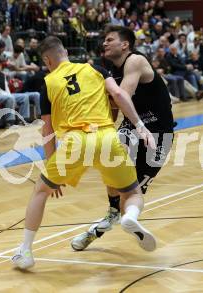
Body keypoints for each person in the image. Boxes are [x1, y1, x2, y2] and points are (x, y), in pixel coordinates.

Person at [11, 36, 158, 270]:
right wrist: (140, 126)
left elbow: (47, 129)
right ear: (66, 53)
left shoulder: (47, 83)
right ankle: (129, 216)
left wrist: (52, 164)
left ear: (47, 60)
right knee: (132, 193)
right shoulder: (95, 69)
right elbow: (120, 96)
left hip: (75, 141)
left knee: (40, 191)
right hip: (107, 137)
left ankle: (25, 251)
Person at [71, 25, 175, 251]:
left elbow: (122, 95)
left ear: (125, 44)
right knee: (113, 156)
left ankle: (124, 217)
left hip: (159, 132)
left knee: (132, 191)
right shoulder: (109, 68)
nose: (104, 43)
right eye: (104, 40)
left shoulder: (135, 60)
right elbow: (114, 107)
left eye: (110, 39)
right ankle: (119, 216)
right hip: (133, 127)